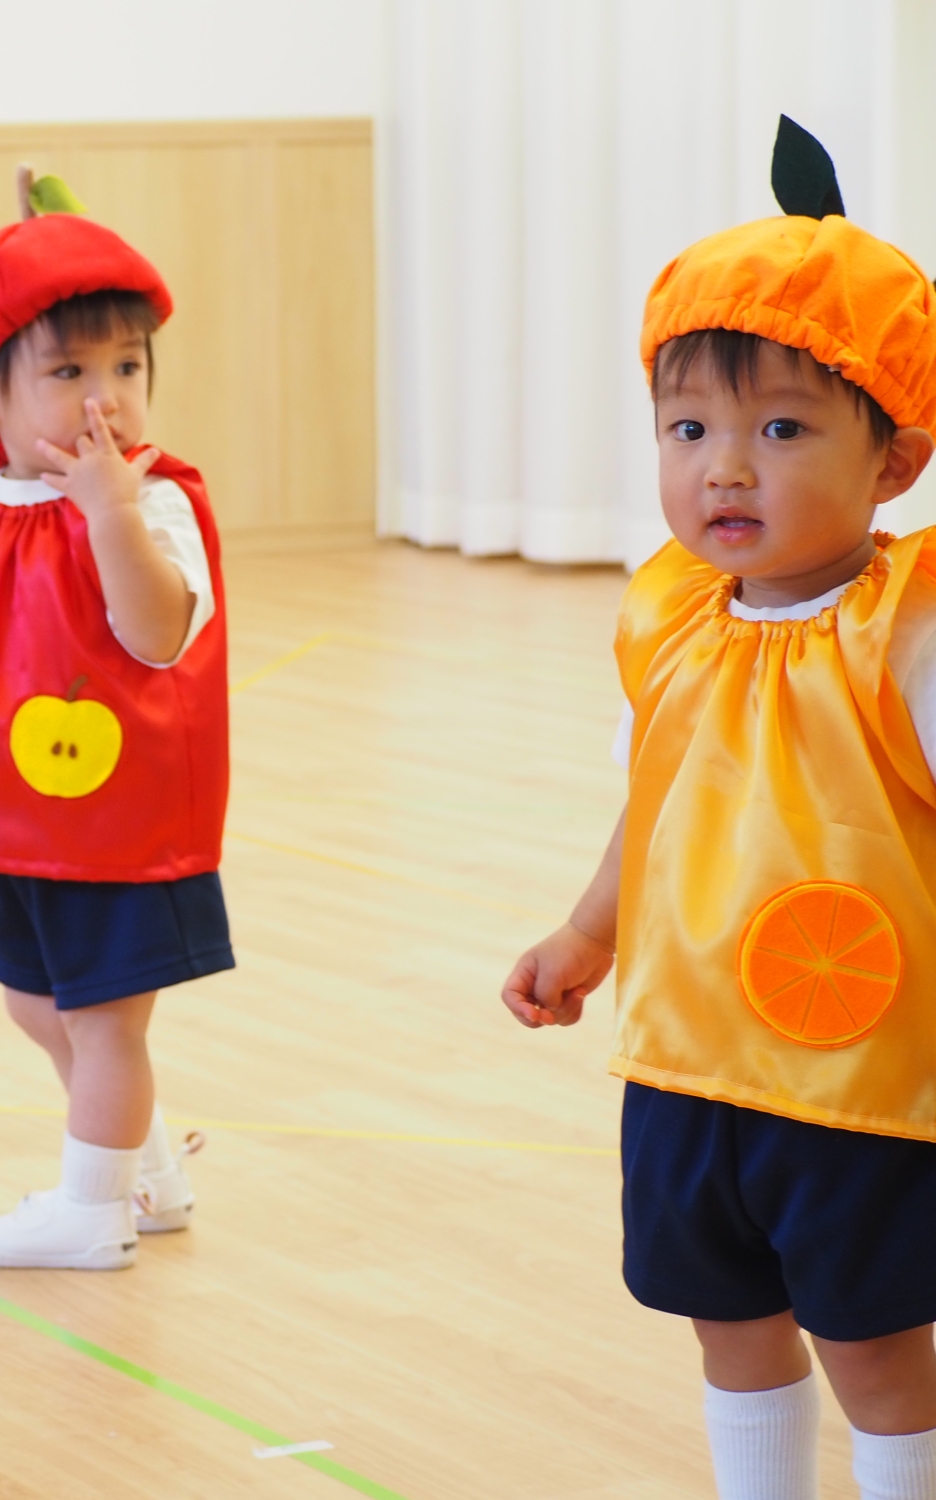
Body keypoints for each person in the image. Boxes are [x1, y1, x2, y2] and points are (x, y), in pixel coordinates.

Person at [500, 119, 936, 1500]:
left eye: (783, 428)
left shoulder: (905, 630)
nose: (725, 467)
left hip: (861, 1074)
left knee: (872, 1342)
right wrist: (588, 933)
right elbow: (663, 798)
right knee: (728, 1320)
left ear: (894, 460)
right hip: (686, 1057)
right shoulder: (673, 616)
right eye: (689, 428)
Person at [0, 173, 233, 1269]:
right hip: (12, 815)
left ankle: (88, 1213)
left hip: (119, 826)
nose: (105, 399)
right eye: (68, 372)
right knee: (35, 1001)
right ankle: (148, 1170)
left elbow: (159, 628)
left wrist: (112, 514)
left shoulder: (150, 499)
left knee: (105, 1020)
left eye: (126, 368)